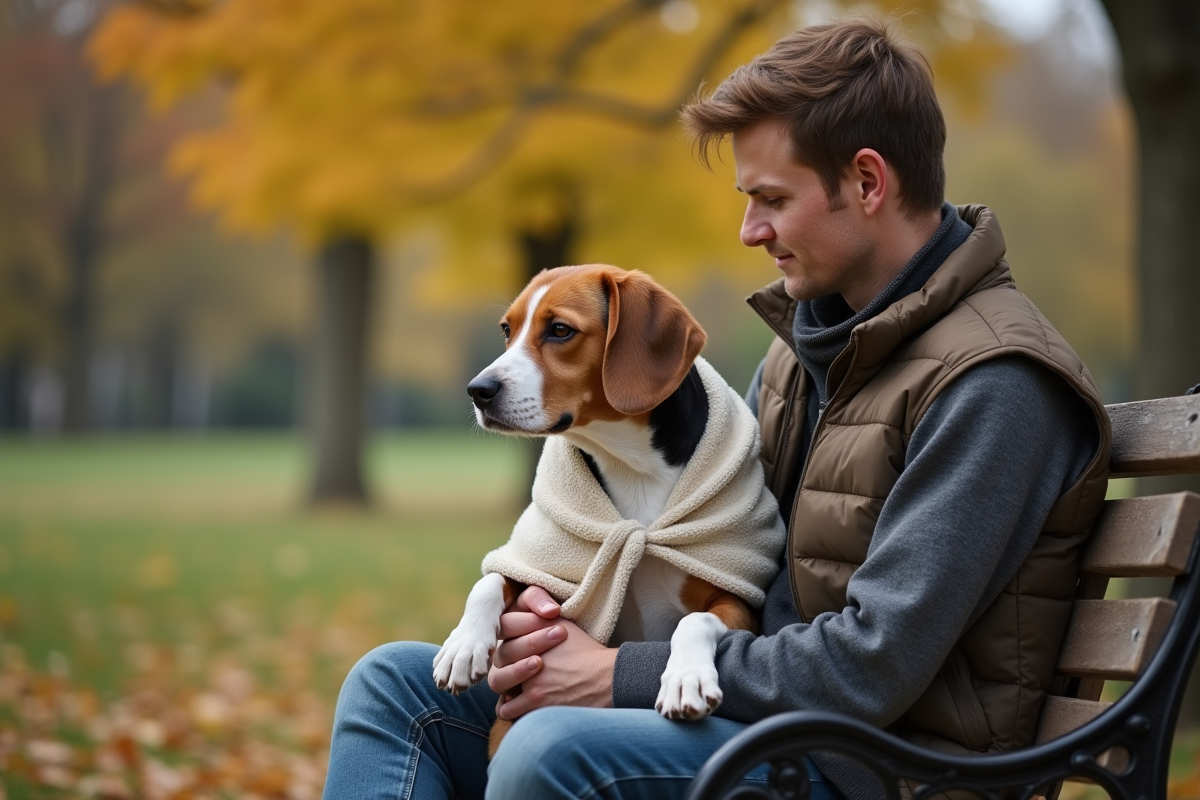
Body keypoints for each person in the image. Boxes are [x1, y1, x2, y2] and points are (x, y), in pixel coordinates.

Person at [321, 17, 1111, 800]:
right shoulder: (809, 354)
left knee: (551, 749)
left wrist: (613, 676)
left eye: (771, 198)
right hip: (766, 720)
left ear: (868, 182)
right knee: (392, 685)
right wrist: (551, 630)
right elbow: (732, 561)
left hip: (878, 768)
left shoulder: (994, 383)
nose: (749, 231)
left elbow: (871, 667)